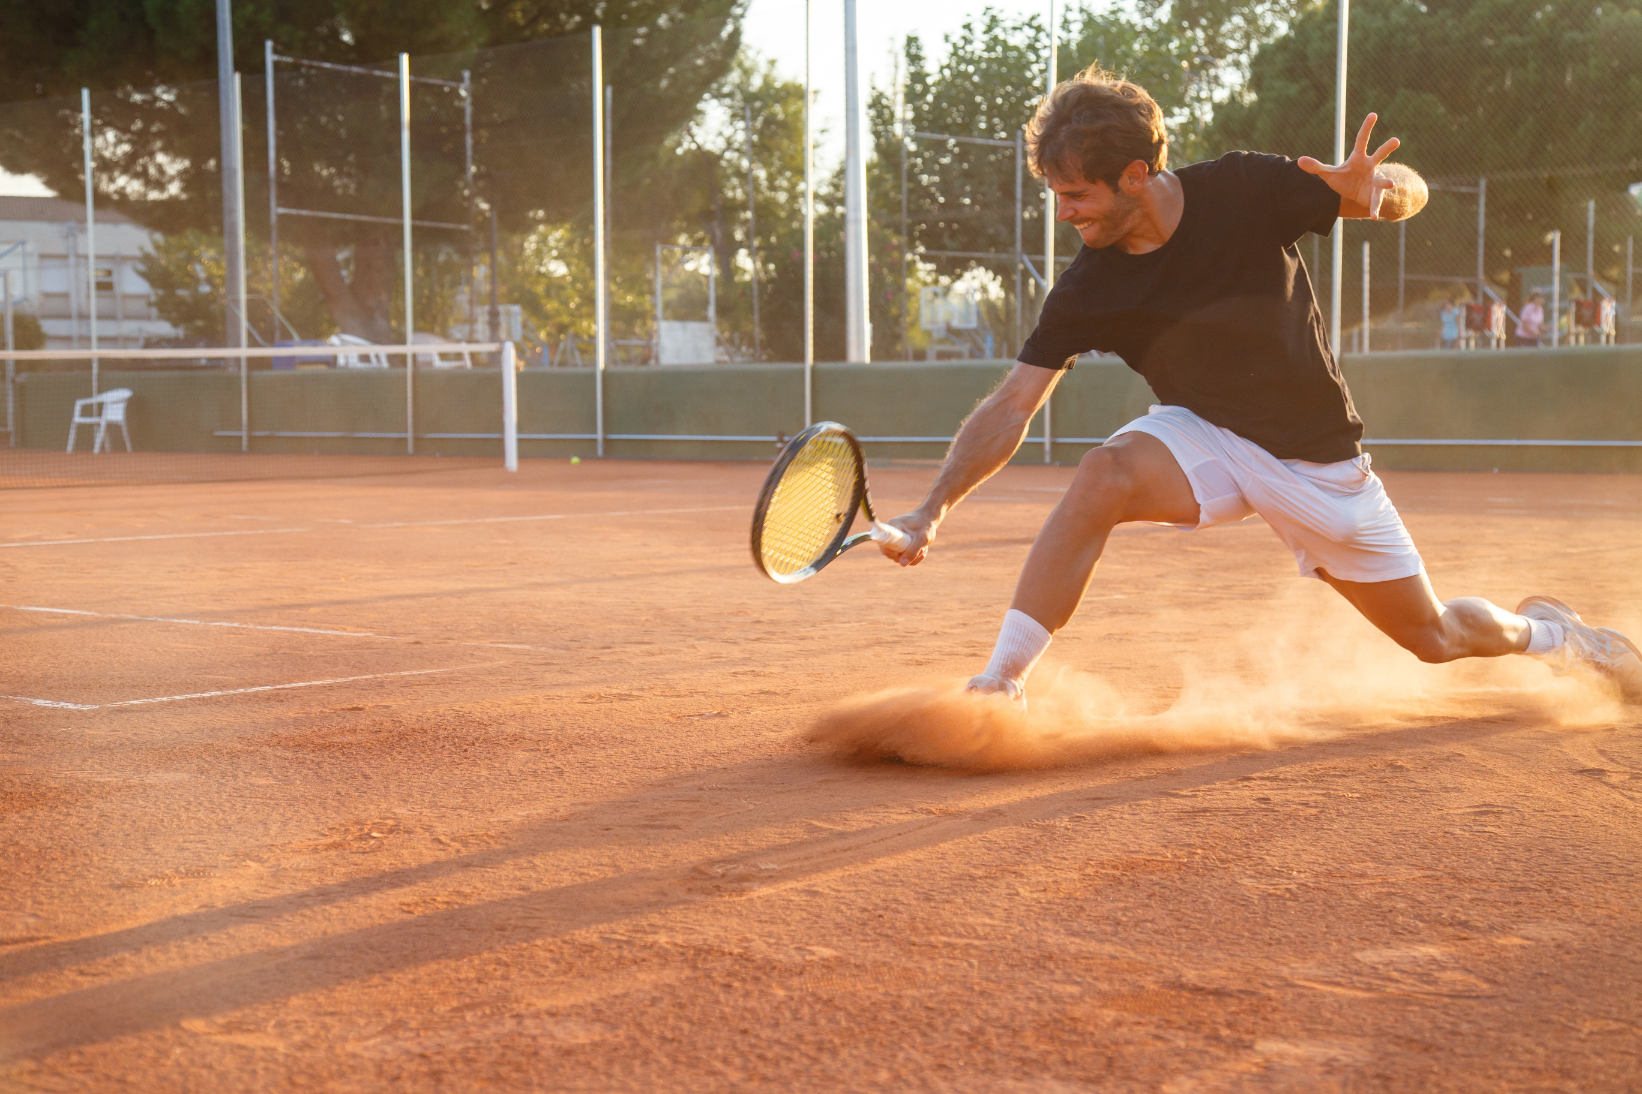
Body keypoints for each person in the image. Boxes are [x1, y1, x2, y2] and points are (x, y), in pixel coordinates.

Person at [876, 66, 1642, 708]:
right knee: (1102, 475)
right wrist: (931, 509)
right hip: (1204, 433)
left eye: (1076, 194)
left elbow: (1403, 194)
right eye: (1057, 194)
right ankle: (999, 687)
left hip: (1317, 462)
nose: (1065, 212)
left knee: (1434, 638)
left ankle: (1555, 635)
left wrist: (1379, 189)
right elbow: (1014, 403)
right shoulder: (1088, 288)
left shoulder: (1242, 188)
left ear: (1136, 175)